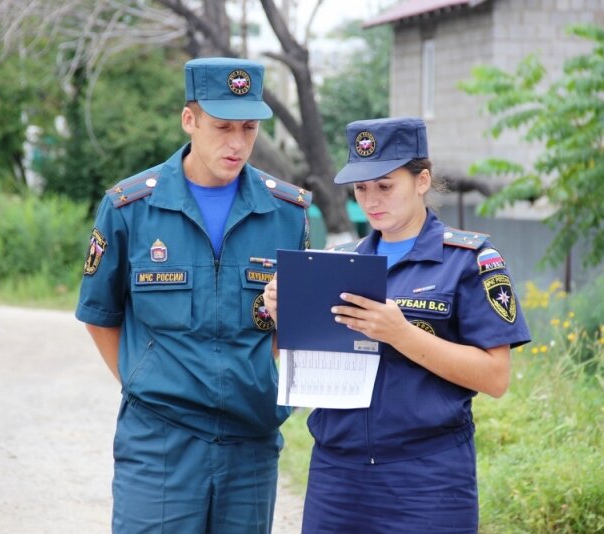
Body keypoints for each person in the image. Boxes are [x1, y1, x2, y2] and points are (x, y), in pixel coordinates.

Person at [76, 57, 311, 534]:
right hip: (160, 443)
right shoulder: (130, 208)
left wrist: (272, 380)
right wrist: (143, 379)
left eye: (248, 128)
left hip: (251, 443)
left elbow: (297, 327)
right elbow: (99, 314)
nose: (237, 142)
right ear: (190, 120)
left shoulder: (286, 212)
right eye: (222, 126)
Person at [263, 117, 531, 533]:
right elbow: (295, 358)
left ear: (422, 180)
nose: (371, 200)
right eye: (361, 188)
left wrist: (400, 333)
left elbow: (495, 377)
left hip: (427, 478)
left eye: (385, 185)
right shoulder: (337, 261)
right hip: (338, 475)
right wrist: (285, 316)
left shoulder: (469, 259)